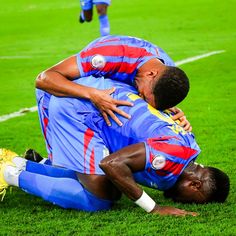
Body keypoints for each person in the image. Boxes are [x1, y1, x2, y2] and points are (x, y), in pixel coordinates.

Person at [0, 77, 229, 215]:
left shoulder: (189, 144)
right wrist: (154, 208)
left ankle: (17, 163)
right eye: (191, 199)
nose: (181, 201)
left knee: (111, 185)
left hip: (94, 100)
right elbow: (111, 163)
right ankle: (7, 174)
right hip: (80, 108)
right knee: (98, 198)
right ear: (196, 184)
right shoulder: (171, 156)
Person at [36, 35, 190, 127]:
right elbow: (44, 79)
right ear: (151, 74)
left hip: (112, 89)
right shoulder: (109, 55)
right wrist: (92, 94)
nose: (142, 99)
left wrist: (174, 116)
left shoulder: (166, 71)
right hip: (62, 92)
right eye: (143, 96)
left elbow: (155, 101)